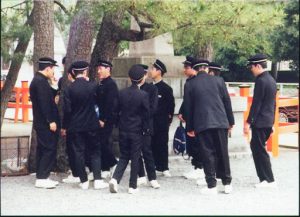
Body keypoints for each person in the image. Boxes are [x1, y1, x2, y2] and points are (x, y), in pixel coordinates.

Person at [184, 59, 234, 195]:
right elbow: (226, 102)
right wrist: (231, 122)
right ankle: (227, 183)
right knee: (223, 152)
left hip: (202, 123)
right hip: (221, 121)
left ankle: (211, 185)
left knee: (208, 154)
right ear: (207, 68)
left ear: (195, 69)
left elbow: (188, 107)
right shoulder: (219, 81)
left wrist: (190, 128)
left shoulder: (190, 84)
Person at [62, 60, 108, 190]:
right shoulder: (93, 86)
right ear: (85, 71)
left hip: (75, 126)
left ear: (73, 72)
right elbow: (100, 103)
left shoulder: (68, 89)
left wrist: (64, 126)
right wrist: (102, 119)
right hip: (92, 123)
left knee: (78, 152)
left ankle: (83, 181)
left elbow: (67, 110)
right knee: (95, 151)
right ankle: (98, 180)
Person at [109, 64, 150, 194]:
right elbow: (146, 114)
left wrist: (118, 124)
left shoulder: (122, 93)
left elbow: (115, 111)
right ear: (142, 78)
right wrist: (145, 129)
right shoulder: (143, 95)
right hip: (137, 130)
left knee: (124, 156)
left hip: (123, 129)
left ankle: (115, 179)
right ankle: (133, 186)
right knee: (135, 157)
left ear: (129, 77)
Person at [244, 54, 277, 188]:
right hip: (267, 121)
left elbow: (256, 104)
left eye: (251, 67)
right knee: (257, 148)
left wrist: (248, 122)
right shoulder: (271, 80)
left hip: (260, 121)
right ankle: (265, 179)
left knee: (259, 150)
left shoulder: (261, 81)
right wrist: (272, 122)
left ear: (258, 66)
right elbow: (273, 104)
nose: (251, 69)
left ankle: (268, 180)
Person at [30, 57, 60, 189]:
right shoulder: (40, 82)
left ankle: (41, 176)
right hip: (45, 122)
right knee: (49, 148)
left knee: (43, 148)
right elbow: (44, 104)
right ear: (48, 68)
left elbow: (48, 98)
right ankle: (42, 178)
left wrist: (53, 85)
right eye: (53, 69)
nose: (53, 72)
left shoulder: (40, 80)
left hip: (41, 122)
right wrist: (51, 121)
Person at [178, 56, 204, 180]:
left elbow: (192, 103)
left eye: (186, 67)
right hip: (192, 117)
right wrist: (182, 112)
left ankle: (199, 167)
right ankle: (196, 165)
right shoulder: (190, 81)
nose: (184, 70)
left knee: (196, 144)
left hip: (196, 118)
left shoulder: (194, 82)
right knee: (192, 144)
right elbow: (186, 101)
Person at [136, 64, 160, 189]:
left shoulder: (152, 89)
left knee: (147, 151)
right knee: (135, 153)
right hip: (134, 125)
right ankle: (140, 175)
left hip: (146, 124)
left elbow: (153, 108)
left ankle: (152, 177)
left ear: (145, 75)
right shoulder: (132, 89)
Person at [150, 59, 175, 177]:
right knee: (151, 144)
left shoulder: (166, 89)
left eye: (153, 69)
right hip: (150, 122)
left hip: (161, 122)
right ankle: (153, 165)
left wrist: (168, 120)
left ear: (159, 71)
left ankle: (164, 167)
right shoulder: (148, 87)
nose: (151, 71)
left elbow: (171, 107)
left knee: (162, 144)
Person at [94, 60, 119, 179]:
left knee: (104, 143)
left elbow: (111, 105)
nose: (98, 71)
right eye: (98, 69)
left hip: (106, 120)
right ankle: (105, 167)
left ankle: (113, 163)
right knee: (100, 143)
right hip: (98, 119)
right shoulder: (101, 84)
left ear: (108, 69)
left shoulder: (111, 85)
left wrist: (104, 119)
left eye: (101, 69)